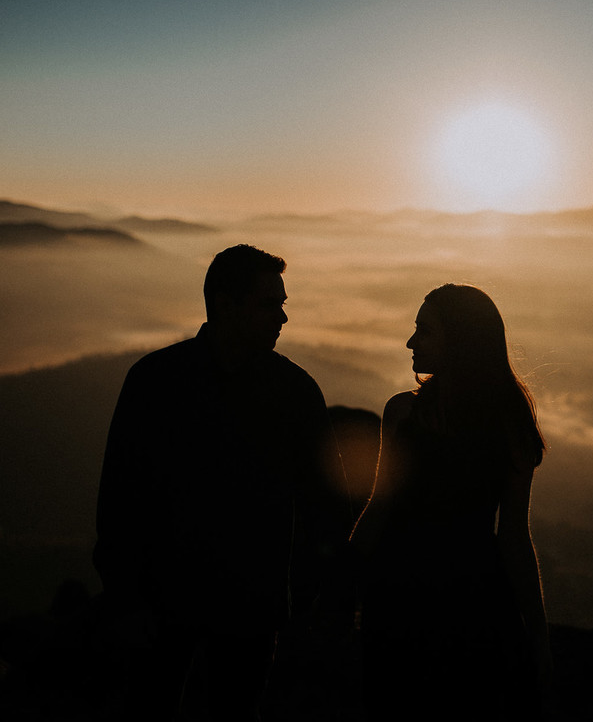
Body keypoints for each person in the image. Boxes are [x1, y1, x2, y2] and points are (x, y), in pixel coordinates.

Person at [92, 244, 349, 721]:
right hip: (162, 608)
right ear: (225, 306)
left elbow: (323, 506)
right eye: (271, 304)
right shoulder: (155, 383)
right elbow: (121, 499)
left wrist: (308, 600)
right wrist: (124, 598)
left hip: (251, 612)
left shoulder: (295, 392)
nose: (283, 318)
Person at [350, 284, 554, 721]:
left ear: (460, 342)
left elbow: (515, 536)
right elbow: (379, 508)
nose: (410, 342)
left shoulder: (500, 428)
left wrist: (537, 636)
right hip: (420, 602)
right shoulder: (403, 414)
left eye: (424, 331)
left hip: (454, 609)